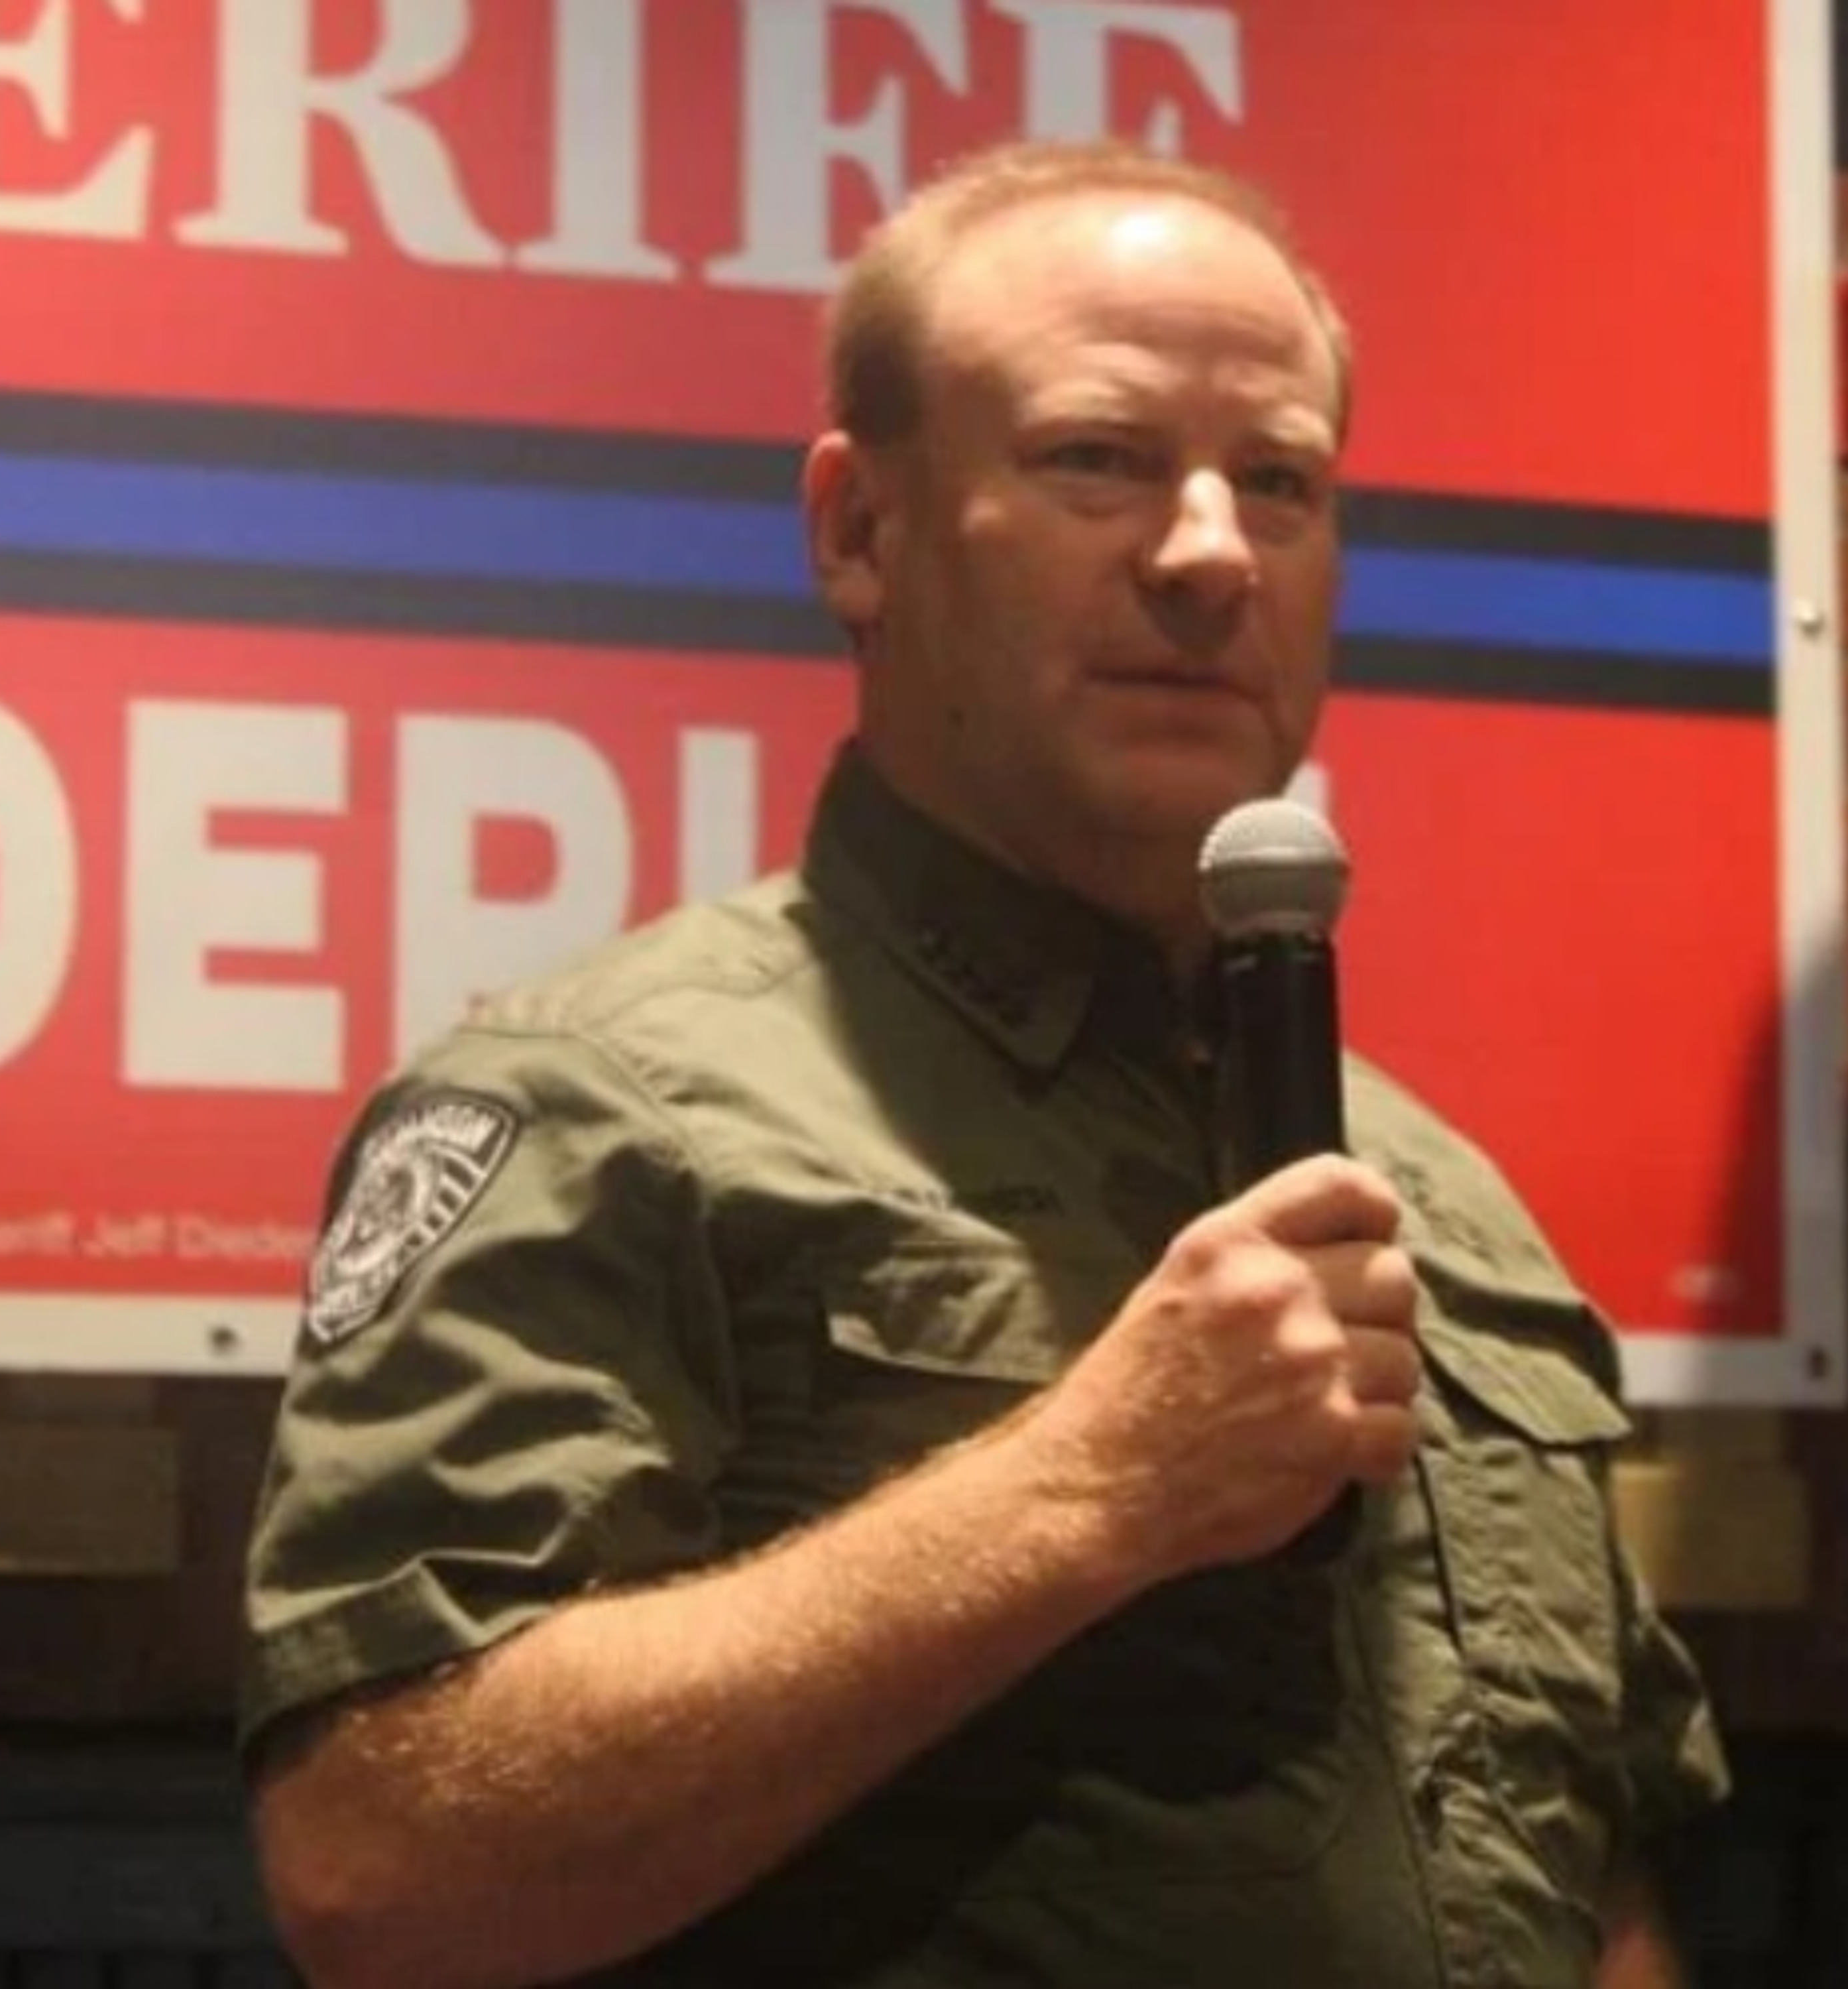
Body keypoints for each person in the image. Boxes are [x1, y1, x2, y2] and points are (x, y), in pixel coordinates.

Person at [239, 138, 1727, 1988]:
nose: (1210, 552)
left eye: (1279, 481)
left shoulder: (1447, 1198)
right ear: (860, 534)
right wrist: (1090, 1488)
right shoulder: (601, 1108)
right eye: (1099, 458)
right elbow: (381, 1862)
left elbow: (1599, 1866)